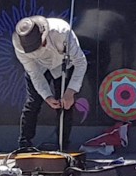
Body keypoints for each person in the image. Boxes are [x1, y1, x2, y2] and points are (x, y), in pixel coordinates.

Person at [12, 14, 87, 153]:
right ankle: (24, 144)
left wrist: (70, 91)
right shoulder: (20, 47)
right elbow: (34, 74)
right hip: (38, 68)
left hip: (62, 64)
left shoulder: (62, 31)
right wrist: (47, 96)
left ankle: (63, 145)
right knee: (33, 102)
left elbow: (81, 62)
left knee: (65, 103)